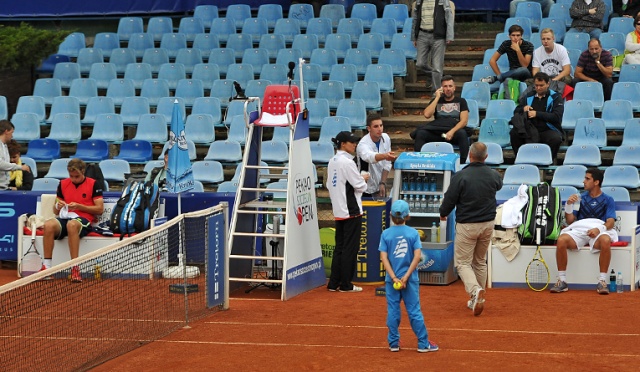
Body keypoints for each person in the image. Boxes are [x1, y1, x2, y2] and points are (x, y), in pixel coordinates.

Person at [439, 142, 502, 316]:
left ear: (470, 156)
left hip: (467, 225)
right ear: (486, 157)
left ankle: (475, 291)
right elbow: (499, 185)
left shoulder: (461, 176)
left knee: (463, 263)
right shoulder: (493, 175)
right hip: (488, 223)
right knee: (480, 261)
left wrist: (443, 213)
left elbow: (450, 199)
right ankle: (478, 297)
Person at [379, 199, 439, 353]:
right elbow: (417, 257)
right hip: (410, 279)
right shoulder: (413, 233)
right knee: (414, 310)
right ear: (408, 216)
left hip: (391, 280)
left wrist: (394, 278)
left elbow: (384, 258)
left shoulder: (385, 233)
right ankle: (423, 343)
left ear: (391, 216)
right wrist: (405, 277)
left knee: (393, 310)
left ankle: (393, 343)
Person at [550, 168, 618, 294]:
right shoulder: (579, 198)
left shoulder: (608, 199)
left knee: (606, 240)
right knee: (561, 240)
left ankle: (602, 281)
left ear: (596, 182)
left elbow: (610, 222)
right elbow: (570, 221)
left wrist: (598, 229)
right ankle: (562, 280)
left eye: (587, 179)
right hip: (580, 230)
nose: (583, 181)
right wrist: (569, 205)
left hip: (598, 230)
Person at [41, 158, 105, 282]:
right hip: (66, 217)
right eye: (71, 176)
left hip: (84, 220)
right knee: (48, 225)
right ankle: (47, 268)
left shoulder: (93, 184)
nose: (74, 179)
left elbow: (100, 209)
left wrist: (80, 207)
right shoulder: (63, 184)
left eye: (77, 176)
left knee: (72, 225)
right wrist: (57, 206)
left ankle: (75, 268)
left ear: (83, 171)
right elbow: (55, 211)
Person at [326, 131, 369, 292]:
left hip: (339, 209)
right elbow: (360, 185)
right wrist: (364, 178)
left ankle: (333, 283)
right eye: (352, 142)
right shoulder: (347, 162)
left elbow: (330, 184)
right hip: (351, 210)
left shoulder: (332, 161)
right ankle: (346, 284)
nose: (354, 144)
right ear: (343, 144)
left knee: (340, 247)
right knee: (350, 248)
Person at [411, 75, 470, 162]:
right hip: (440, 134)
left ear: (454, 88)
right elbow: (427, 115)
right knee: (421, 133)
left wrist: (452, 132)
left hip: (452, 134)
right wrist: (437, 97)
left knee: (462, 133)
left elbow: (464, 121)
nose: (448, 89)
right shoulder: (437, 100)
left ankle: (462, 162)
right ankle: (418, 161)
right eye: (445, 86)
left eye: (450, 86)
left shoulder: (461, 101)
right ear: (442, 88)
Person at [509, 72, 565, 160]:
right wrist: (523, 108)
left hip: (547, 129)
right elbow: (516, 111)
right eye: (536, 85)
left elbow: (556, 116)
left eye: (541, 85)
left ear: (548, 84)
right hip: (530, 128)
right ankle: (520, 159)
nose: (538, 88)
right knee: (514, 133)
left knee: (556, 139)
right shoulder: (528, 96)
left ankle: (548, 161)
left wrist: (537, 114)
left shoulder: (556, 97)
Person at [411, 0, 455, 93]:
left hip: (438, 36)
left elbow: (449, 17)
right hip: (422, 34)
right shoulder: (419, 1)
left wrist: (449, 35)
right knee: (420, 63)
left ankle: (436, 92)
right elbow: (415, 19)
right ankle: (434, 75)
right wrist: (414, 36)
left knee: (437, 67)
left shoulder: (443, 1)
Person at [356, 113, 396, 199]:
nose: (380, 129)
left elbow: (387, 164)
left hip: (380, 184)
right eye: (376, 126)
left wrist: (383, 182)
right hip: (365, 188)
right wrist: (385, 156)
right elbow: (370, 157)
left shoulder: (386, 138)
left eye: (381, 125)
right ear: (368, 128)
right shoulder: (363, 144)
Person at [0, 120, 31, 190]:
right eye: (11, 132)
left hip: (3, 187)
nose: (12, 135)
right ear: (6, 131)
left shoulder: (4, 146)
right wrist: (19, 167)